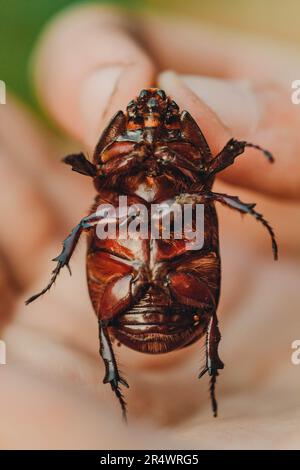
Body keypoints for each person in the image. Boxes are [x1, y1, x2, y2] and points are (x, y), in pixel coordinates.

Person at [0, 4, 299, 449]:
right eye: (140, 124)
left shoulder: (191, 182)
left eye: (165, 121)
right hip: (136, 305)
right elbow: (90, 171)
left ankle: (209, 381)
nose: (153, 129)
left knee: (160, 209)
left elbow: (210, 170)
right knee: (95, 223)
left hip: (176, 296)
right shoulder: (145, 184)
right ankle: (117, 384)